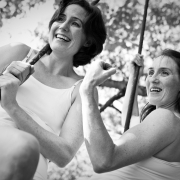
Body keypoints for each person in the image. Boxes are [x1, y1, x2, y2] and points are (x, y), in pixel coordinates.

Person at [0, 0, 106, 180]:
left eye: (75, 23)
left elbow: (64, 154)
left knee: (26, 146)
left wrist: (11, 105)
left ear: (88, 40)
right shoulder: (19, 52)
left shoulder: (83, 89)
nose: (63, 26)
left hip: (30, 169)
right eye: (61, 19)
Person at [79, 49, 180, 180]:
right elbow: (131, 119)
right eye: (150, 72)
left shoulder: (166, 118)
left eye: (164, 73)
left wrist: (87, 89)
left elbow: (103, 160)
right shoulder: (171, 124)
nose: (153, 79)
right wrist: (134, 76)